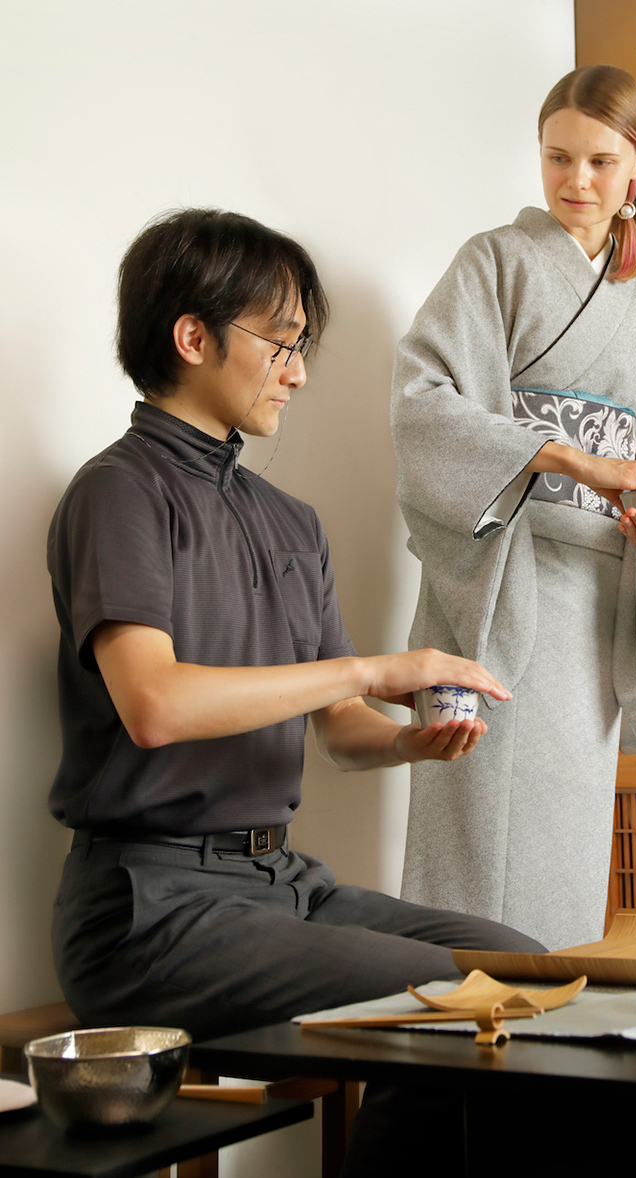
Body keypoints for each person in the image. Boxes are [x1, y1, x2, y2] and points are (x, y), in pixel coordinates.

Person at [47, 208, 545, 1056]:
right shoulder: (117, 492)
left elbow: (340, 735)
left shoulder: (291, 522)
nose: (299, 374)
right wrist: (366, 670)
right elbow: (155, 706)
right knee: (454, 1002)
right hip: (150, 908)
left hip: (283, 882)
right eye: (281, 344)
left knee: (526, 966)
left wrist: (406, 743)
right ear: (192, 337)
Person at [392, 65, 636, 951]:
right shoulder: (493, 264)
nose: (576, 181)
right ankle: (450, 1051)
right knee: (472, 844)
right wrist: (571, 459)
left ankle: (550, 1043)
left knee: (565, 854)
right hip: (498, 586)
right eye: (557, 158)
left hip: (594, 609)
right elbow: (423, 402)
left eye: (601, 162)